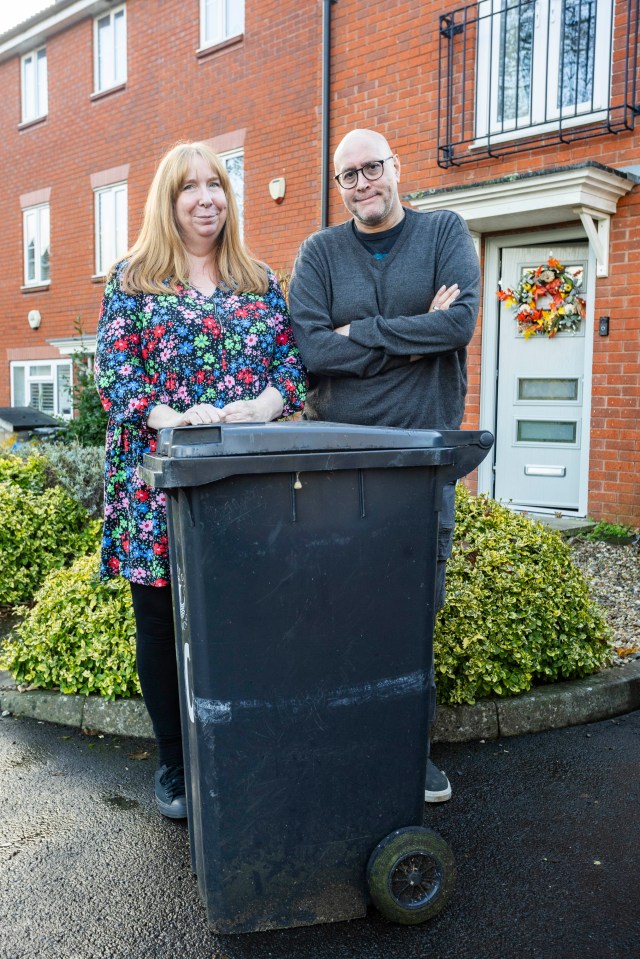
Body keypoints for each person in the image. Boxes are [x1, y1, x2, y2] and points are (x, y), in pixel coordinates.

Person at [94, 142, 306, 819]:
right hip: (157, 483)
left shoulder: (259, 280)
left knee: (245, 613)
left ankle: (238, 745)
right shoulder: (132, 280)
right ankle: (175, 762)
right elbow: (118, 380)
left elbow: (291, 369)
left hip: (245, 483)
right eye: (190, 187)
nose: (206, 197)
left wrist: (265, 405)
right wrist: (176, 416)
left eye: (216, 184)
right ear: (169, 199)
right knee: (158, 621)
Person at [288, 128, 480, 803]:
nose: (363, 182)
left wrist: (361, 334)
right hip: (336, 465)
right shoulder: (318, 252)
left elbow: (456, 326)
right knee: (332, 608)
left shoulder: (445, 233)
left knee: (412, 613)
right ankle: (337, 745)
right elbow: (309, 352)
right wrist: (408, 337)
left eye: (373, 168)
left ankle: (408, 753)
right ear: (339, 186)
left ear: (397, 168)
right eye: (349, 175)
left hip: (419, 464)